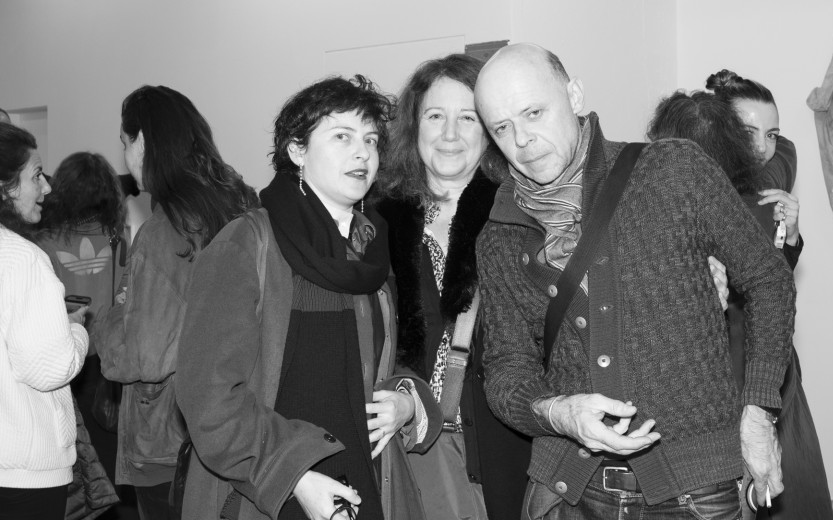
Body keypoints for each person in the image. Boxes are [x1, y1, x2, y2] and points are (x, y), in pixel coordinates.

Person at [473, 43, 797, 520]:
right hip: (569, 490)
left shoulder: (672, 169)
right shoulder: (500, 236)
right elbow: (505, 367)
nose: (522, 139)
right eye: (502, 127)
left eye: (534, 112)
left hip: (695, 493)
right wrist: (557, 412)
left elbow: (769, 279)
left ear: (574, 95)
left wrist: (759, 413)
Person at [177, 75, 441, 520]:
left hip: (365, 481)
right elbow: (208, 397)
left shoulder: (372, 249)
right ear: (297, 150)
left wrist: (406, 401)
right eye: (342, 136)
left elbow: (386, 360)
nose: (363, 152)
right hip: (272, 489)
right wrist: (295, 476)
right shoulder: (245, 244)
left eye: (371, 140)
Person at [377, 54, 532, 520]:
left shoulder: (522, 217)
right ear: (413, 126)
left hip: (506, 447)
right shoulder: (374, 224)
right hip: (406, 446)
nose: (449, 133)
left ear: (489, 130)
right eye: (435, 116)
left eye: (467, 118)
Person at [93, 85, 259, 520]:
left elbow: (143, 357)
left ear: (144, 142)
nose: (124, 156)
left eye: (125, 142)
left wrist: (106, 321)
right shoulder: (243, 207)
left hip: (169, 443)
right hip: (235, 428)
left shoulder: (163, 231)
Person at [702, 70, 833, 520]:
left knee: (795, 491)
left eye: (771, 133)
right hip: (716, 372)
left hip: (771, 366)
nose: (761, 147)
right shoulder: (691, 189)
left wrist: (790, 237)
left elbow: (772, 284)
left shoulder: (770, 180)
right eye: (747, 132)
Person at [0, 123, 89, 520]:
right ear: (5, 187)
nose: (47, 187)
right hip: (22, 472)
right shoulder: (23, 258)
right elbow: (49, 368)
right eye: (36, 175)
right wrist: (76, 331)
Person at [34, 152, 129, 519]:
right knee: (108, 453)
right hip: (106, 361)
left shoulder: (43, 241)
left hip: (63, 358)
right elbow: (126, 297)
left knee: (74, 461)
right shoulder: (118, 238)